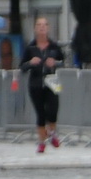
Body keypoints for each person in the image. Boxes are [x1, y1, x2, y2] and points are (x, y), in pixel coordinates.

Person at [21, 17, 63, 153]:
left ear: (48, 28)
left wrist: (55, 62)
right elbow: (22, 66)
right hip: (35, 83)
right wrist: (30, 63)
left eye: (44, 25)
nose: (42, 27)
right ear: (35, 28)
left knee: (53, 110)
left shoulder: (54, 46)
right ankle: (41, 142)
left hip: (52, 81)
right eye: (39, 25)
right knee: (40, 113)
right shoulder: (30, 48)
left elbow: (63, 61)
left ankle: (52, 132)